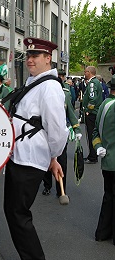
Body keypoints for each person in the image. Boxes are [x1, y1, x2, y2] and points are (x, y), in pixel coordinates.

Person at [3, 37, 68, 260]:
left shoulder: (49, 86)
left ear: (47, 58)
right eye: (28, 55)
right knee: (13, 210)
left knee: (18, 212)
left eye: (36, 55)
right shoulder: (35, 81)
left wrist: (52, 156)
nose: (30, 59)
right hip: (21, 155)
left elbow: (58, 130)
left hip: (30, 158)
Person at [41, 69, 82, 201]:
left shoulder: (65, 93)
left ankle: (61, 189)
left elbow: (70, 111)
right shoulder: (42, 93)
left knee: (62, 162)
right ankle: (47, 185)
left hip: (60, 132)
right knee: (46, 161)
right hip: (45, 132)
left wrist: (77, 129)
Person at [93, 75, 115, 243]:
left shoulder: (103, 105)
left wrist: (98, 146)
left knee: (109, 196)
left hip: (107, 160)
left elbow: (95, 132)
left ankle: (103, 233)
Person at [82, 66, 103, 164]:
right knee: (93, 134)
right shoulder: (96, 82)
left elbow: (93, 99)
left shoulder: (92, 83)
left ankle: (92, 156)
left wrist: (87, 110)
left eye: (85, 71)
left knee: (91, 134)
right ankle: (93, 155)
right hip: (95, 112)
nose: (84, 73)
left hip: (92, 113)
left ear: (89, 72)